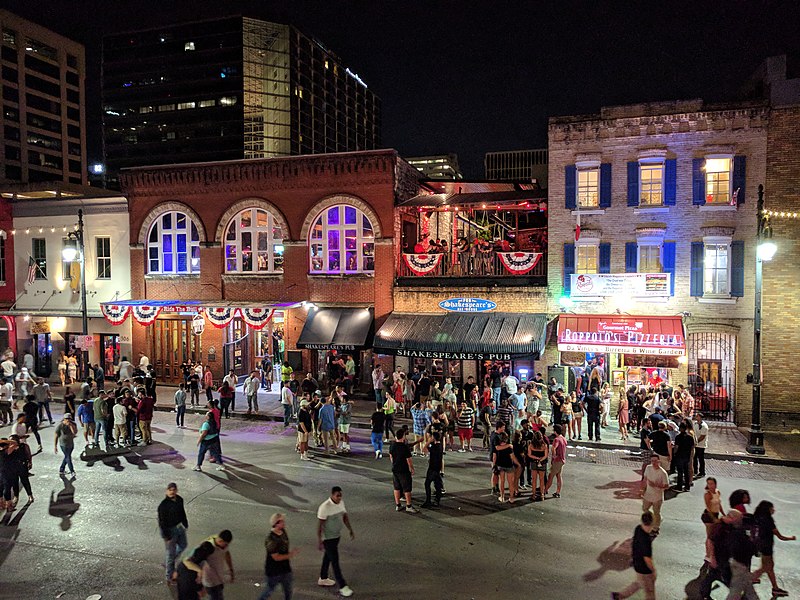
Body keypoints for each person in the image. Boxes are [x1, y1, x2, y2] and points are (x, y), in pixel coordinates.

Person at [751, 500, 795, 597]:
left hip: (761, 546)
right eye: (772, 508)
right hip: (767, 547)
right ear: (768, 509)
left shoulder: (758, 518)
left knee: (767, 567)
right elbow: (780, 536)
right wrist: (791, 538)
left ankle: (774, 587)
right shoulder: (768, 520)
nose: (774, 510)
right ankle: (751, 580)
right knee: (767, 567)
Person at [317, 486, 355, 597]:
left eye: (340, 495)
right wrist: (320, 540)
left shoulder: (341, 503)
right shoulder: (325, 507)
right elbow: (320, 525)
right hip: (328, 539)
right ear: (332, 495)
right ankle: (343, 586)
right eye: (337, 495)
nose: (339, 498)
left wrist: (350, 529)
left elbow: (345, 517)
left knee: (327, 558)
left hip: (336, 537)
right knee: (335, 562)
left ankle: (323, 578)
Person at [611, 512, 657, 600]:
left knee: (639, 583)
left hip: (636, 563)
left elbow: (634, 544)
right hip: (644, 569)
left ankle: (619, 596)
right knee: (650, 591)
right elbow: (647, 558)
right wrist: (653, 571)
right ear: (652, 523)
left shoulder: (638, 529)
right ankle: (619, 596)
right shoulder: (646, 539)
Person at [258, 513, 298, 600]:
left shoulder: (283, 531)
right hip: (274, 571)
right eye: (282, 521)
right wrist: (290, 555)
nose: (284, 523)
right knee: (268, 590)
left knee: (288, 591)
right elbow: (276, 557)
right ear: (276, 523)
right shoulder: (271, 539)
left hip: (285, 568)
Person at [158, 482, 189, 583]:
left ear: (176, 490)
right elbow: (162, 522)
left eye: (173, 490)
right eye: (170, 490)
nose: (172, 492)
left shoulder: (179, 499)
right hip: (170, 531)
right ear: (167, 491)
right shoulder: (163, 506)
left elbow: (182, 512)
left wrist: (185, 523)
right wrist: (166, 536)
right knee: (170, 554)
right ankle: (169, 575)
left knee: (183, 545)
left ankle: (168, 562)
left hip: (179, 527)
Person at [390, 428, 419, 513]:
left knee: (397, 487)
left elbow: (391, 456)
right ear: (403, 437)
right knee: (407, 488)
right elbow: (408, 460)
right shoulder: (405, 447)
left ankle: (398, 505)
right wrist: (412, 468)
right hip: (404, 470)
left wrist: (394, 463)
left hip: (395, 469)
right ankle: (408, 505)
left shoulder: (392, 445)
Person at [201, 530, 235, 600]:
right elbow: (197, 560)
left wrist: (231, 570)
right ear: (220, 541)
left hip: (219, 579)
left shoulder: (223, 545)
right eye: (225, 544)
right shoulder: (207, 546)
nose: (226, 546)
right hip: (210, 580)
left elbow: (227, 554)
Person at [641, 453, 670, 534]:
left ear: (659, 461)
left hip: (657, 496)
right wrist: (642, 490)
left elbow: (667, 486)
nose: (653, 463)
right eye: (652, 461)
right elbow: (645, 479)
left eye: (655, 461)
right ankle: (655, 519)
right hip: (648, 494)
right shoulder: (648, 468)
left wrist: (656, 485)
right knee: (645, 509)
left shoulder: (663, 473)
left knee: (656, 512)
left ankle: (656, 528)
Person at [492, 432, 520, 503]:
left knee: (502, 481)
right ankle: (511, 498)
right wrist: (518, 464)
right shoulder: (509, 448)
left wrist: (494, 465)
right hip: (509, 465)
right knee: (511, 482)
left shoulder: (497, 447)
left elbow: (494, 457)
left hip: (500, 465)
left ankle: (502, 496)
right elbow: (513, 457)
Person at [421, 431, 444, 508]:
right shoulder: (440, 445)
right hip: (437, 467)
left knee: (427, 483)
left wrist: (428, 442)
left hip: (432, 468)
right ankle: (437, 500)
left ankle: (428, 501)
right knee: (437, 484)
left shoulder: (434, 447)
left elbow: (424, 449)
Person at [544, 424, 567, 498]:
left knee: (551, 476)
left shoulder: (556, 439)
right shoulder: (563, 438)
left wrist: (554, 455)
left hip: (557, 461)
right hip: (562, 460)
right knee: (559, 476)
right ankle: (558, 491)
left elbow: (553, 448)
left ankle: (544, 491)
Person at [672, 421, 695, 492]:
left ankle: (679, 486)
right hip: (687, 456)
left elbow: (676, 447)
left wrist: (674, 453)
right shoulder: (690, 437)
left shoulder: (678, 437)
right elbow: (692, 447)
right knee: (686, 471)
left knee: (680, 472)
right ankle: (687, 486)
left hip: (679, 456)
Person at [694, 412, 709, 478]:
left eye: (697, 416)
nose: (696, 417)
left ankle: (702, 472)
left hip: (701, 445)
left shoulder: (704, 426)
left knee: (701, 458)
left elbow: (702, 436)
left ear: (700, 417)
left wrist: (696, 442)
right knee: (694, 458)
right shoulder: (695, 424)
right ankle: (695, 470)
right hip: (695, 444)